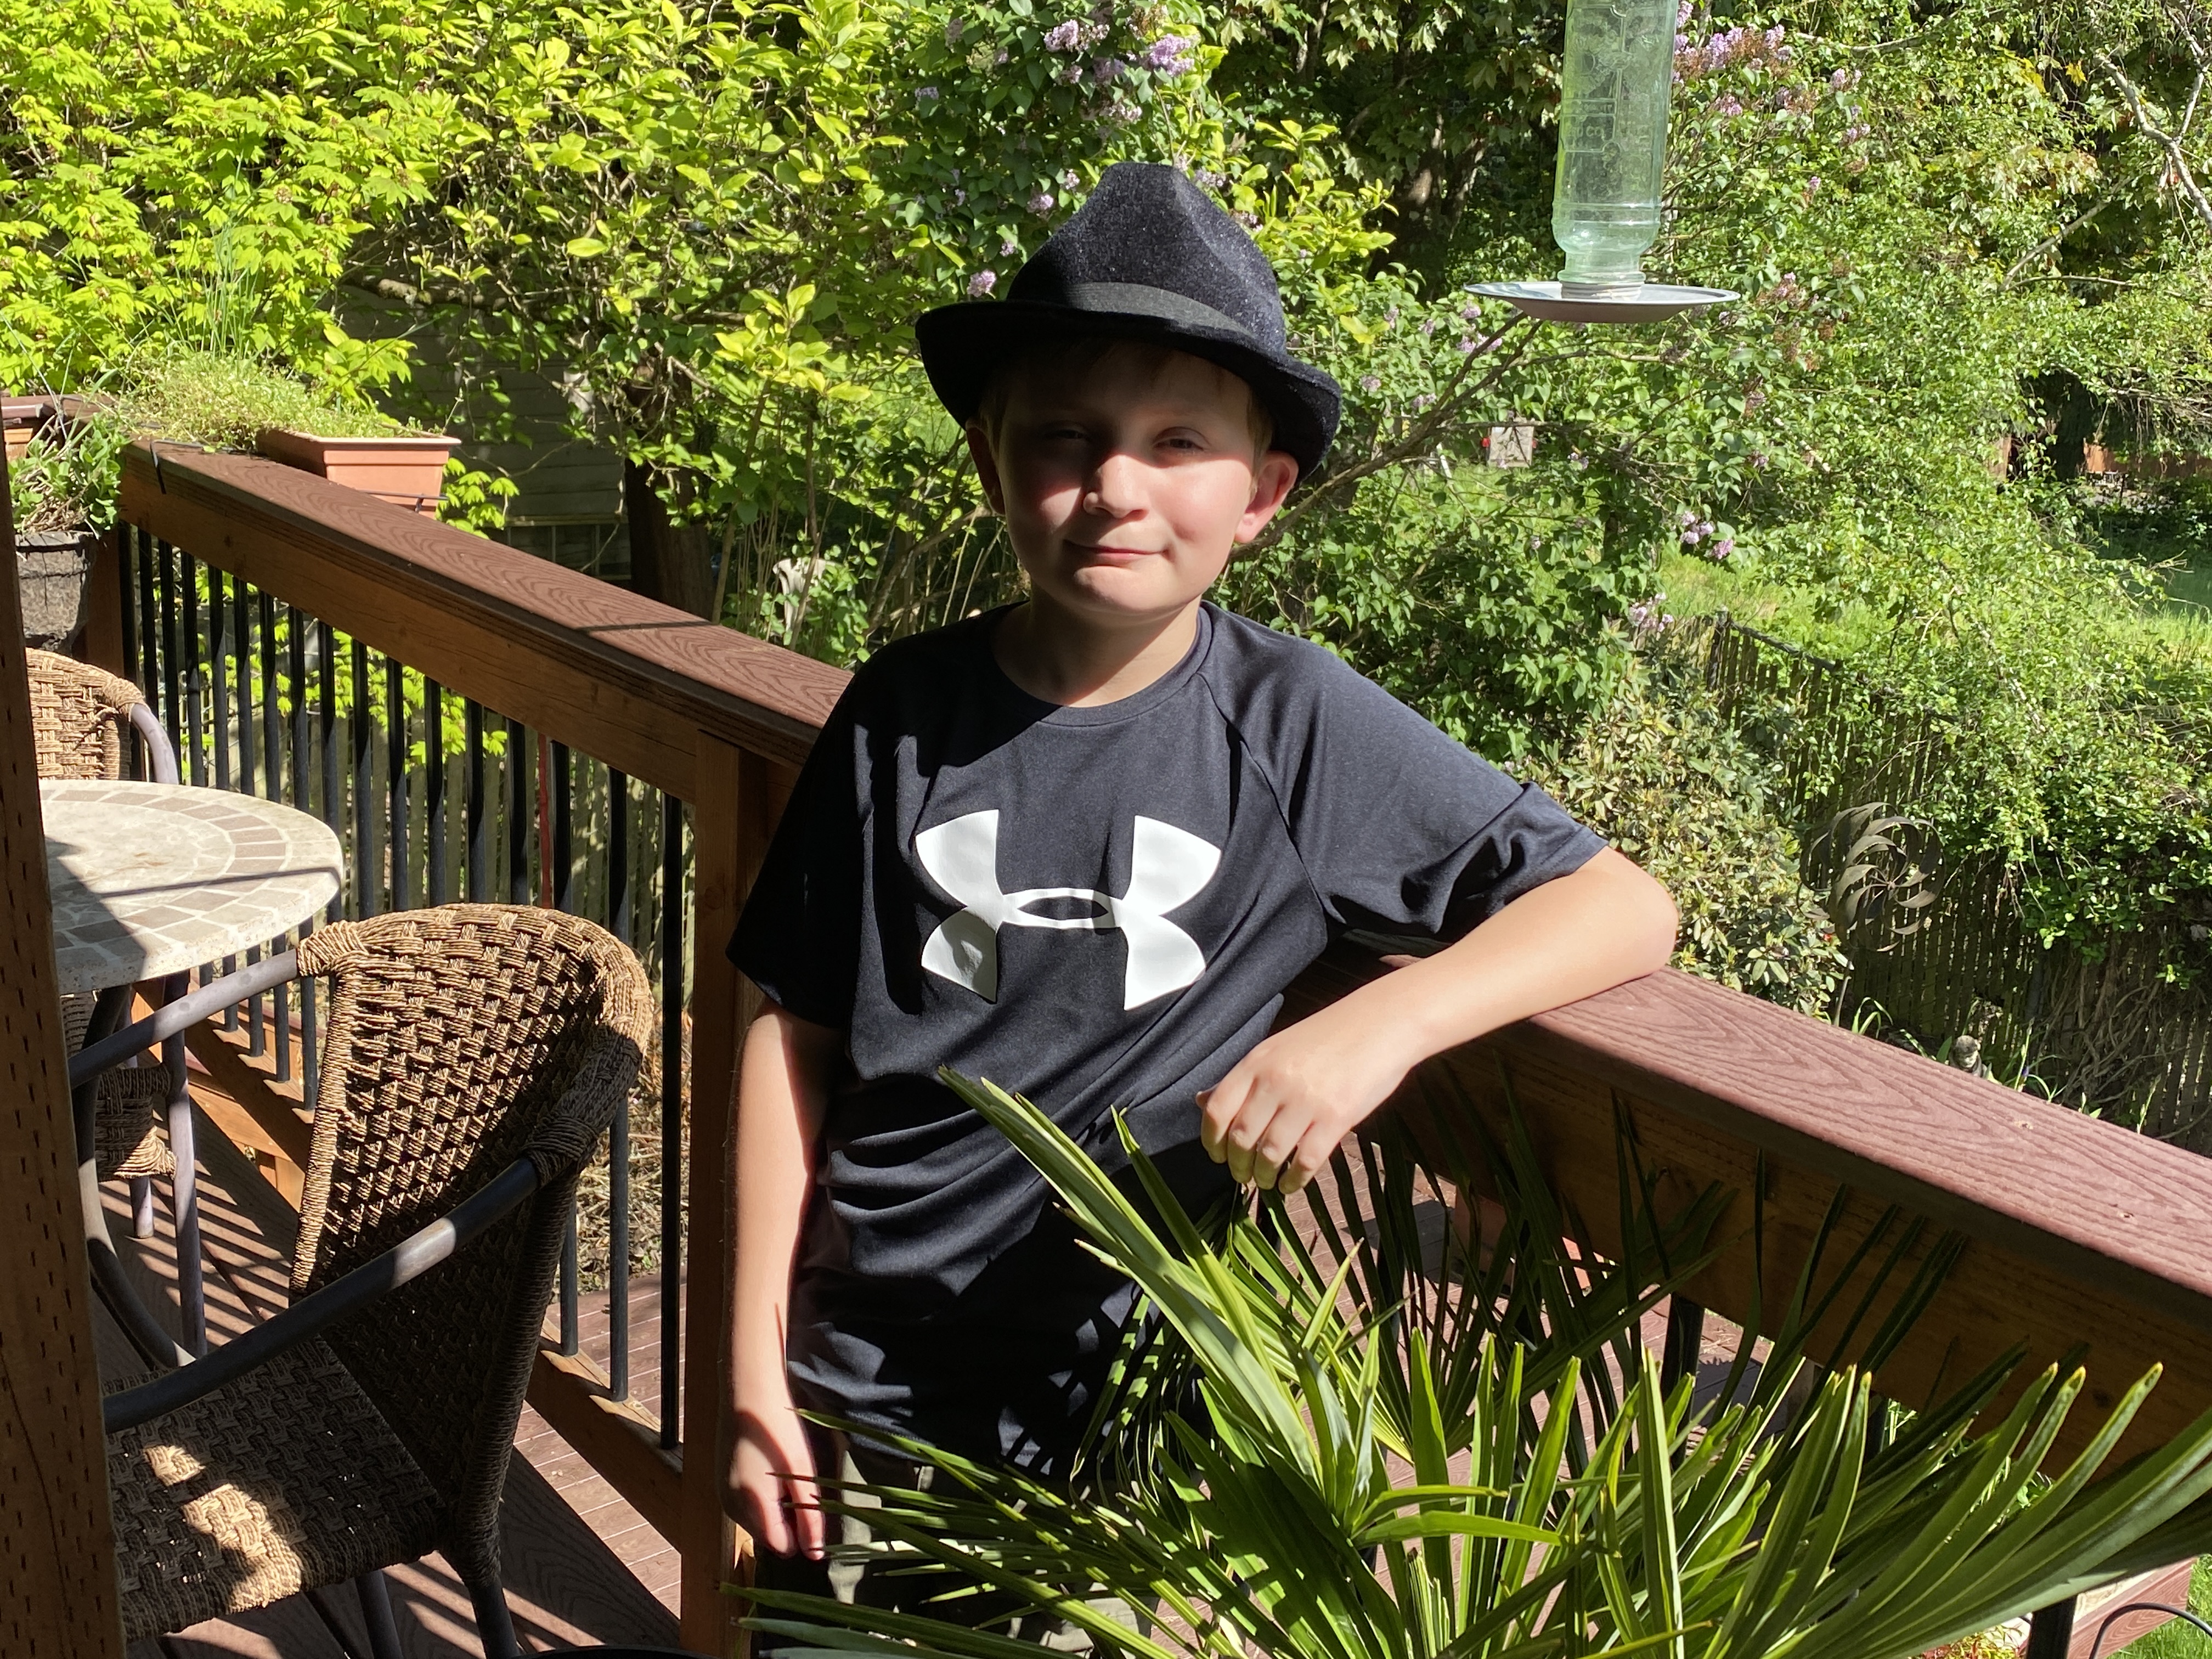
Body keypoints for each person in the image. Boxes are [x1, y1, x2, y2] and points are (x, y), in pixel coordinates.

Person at [723, 161, 1678, 1628]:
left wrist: (1378, 1027)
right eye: (1065, 437)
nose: (1116, 486)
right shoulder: (899, 709)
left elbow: (1620, 908)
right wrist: (748, 1366)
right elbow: (794, 1032)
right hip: (854, 1392)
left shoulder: (1296, 729)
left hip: (1112, 1420)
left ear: (1263, 496)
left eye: (1178, 442)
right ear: (991, 464)